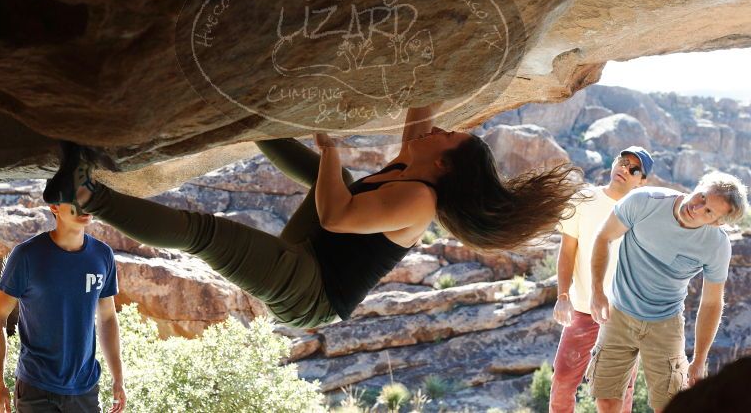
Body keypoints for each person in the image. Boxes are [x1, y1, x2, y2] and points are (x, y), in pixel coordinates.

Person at [41, 104, 582, 329]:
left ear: (442, 164)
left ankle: (86, 196)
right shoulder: (413, 160)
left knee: (205, 232)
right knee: (341, 181)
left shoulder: (420, 199)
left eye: (449, 137)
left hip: (311, 295)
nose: (440, 130)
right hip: (314, 252)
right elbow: (424, 107)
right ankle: (251, 120)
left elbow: (339, 216)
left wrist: (328, 152)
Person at [588, 172, 748, 413]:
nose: (697, 208)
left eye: (708, 212)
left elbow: (712, 303)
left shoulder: (716, 245)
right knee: (607, 399)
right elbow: (604, 237)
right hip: (618, 314)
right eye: (702, 197)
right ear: (699, 184)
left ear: (716, 222)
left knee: (671, 405)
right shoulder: (644, 201)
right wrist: (597, 290)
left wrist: (699, 359)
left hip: (666, 324)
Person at [0, 201, 126, 413]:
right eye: (74, 200)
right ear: (54, 207)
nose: (84, 206)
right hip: (36, 389)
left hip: (84, 389)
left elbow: (107, 318)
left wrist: (118, 379)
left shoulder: (102, 255)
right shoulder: (26, 255)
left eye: (89, 198)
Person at [550, 146, 654, 413]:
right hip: (583, 312)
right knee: (562, 383)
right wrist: (563, 297)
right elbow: (567, 252)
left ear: (642, 181)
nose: (624, 169)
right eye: (623, 161)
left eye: (634, 169)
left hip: (624, 319)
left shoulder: (643, 215)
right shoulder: (583, 198)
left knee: (620, 392)